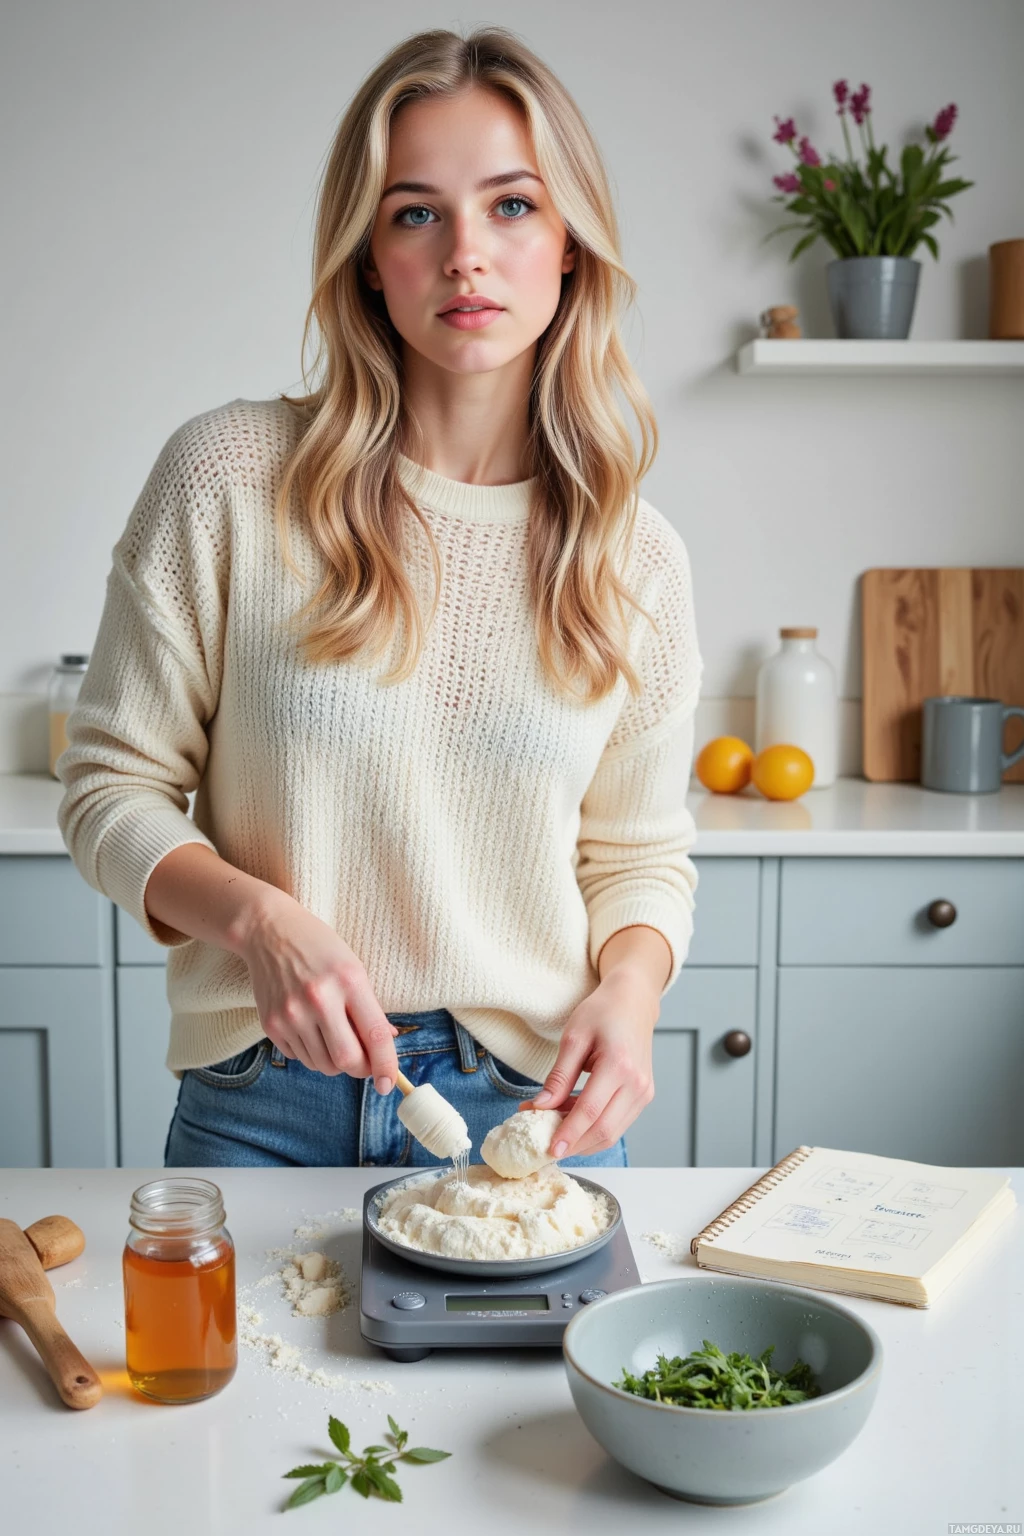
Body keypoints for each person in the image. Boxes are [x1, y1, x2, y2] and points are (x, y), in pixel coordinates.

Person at [55, 26, 703, 1170]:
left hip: (528, 1113)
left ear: (569, 247)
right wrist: (257, 922)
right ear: (366, 255)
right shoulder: (228, 477)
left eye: (512, 206)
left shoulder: (631, 556)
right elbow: (110, 788)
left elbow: (638, 855)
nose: (466, 253)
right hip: (262, 1098)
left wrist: (635, 990)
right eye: (416, 213)